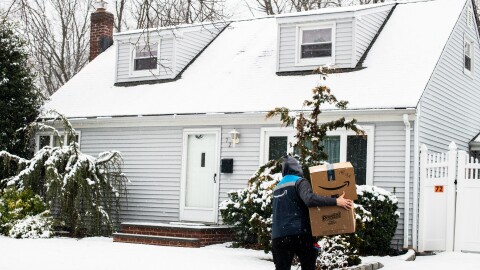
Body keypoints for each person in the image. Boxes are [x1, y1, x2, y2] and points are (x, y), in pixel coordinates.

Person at [272, 156, 353, 270]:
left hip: (278, 237)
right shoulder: (299, 182)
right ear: (297, 169)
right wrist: (336, 201)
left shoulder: (277, 187)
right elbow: (309, 199)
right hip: (300, 234)